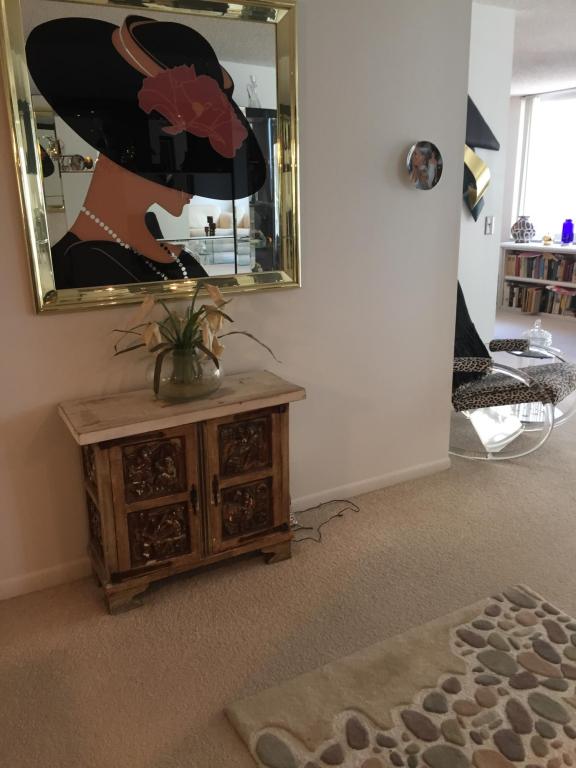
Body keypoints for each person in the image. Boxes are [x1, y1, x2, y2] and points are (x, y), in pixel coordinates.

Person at [26, 14, 266, 289]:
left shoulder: (178, 259)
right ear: (133, 155)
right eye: (183, 161)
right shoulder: (70, 269)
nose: (194, 184)